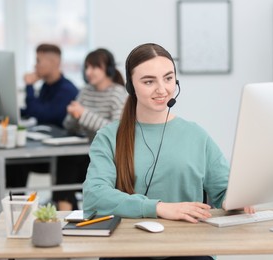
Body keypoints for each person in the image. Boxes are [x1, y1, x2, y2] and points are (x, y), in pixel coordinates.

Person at [83, 43, 253, 234]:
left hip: (187, 244)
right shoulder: (108, 137)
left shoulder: (196, 135)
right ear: (131, 86)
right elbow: (94, 197)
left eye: (168, 78)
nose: (162, 89)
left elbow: (224, 192)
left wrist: (238, 201)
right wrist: (159, 208)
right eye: (149, 81)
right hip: (126, 245)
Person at [0, 43, 78, 209]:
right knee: (11, 160)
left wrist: (29, 85)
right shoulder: (47, 86)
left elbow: (43, 114)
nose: (34, 66)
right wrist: (7, 110)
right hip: (45, 148)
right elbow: (33, 111)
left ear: (54, 63)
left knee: (15, 162)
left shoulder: (67, 89)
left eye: (38, 61)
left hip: (60, 158)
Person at [52, 48, 127, 211]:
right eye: (86, 68)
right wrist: (73, 115)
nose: (89, 72)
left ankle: (65, 212)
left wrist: (84, 114)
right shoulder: (86, 91)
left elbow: (117, 130)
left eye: (94, 67)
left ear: (107, 69)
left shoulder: (117, 93)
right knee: (65, 160)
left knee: (68, 166)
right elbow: (69, 126)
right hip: (85, 151)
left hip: (108, 155)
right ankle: (65, 213)